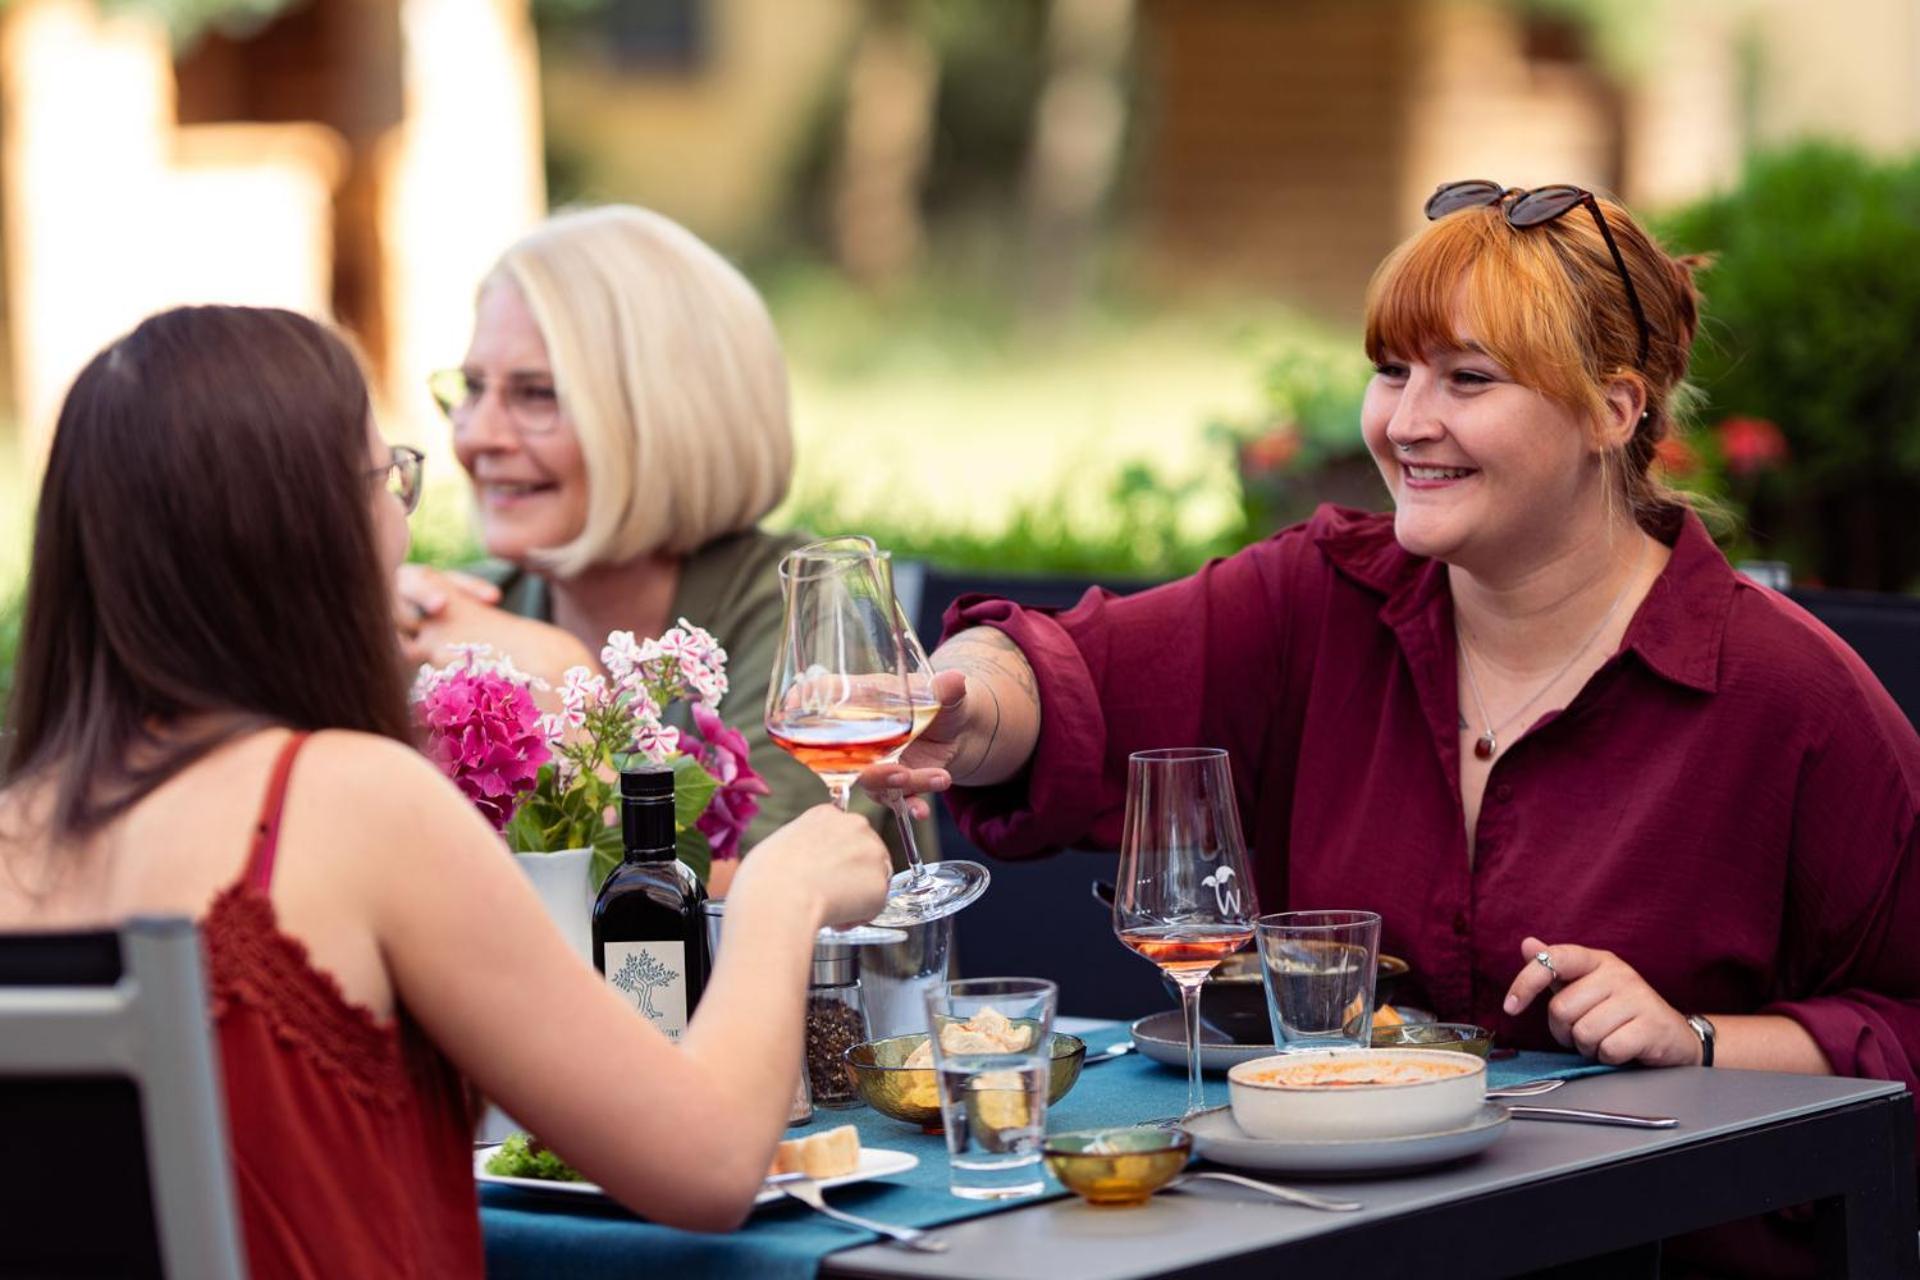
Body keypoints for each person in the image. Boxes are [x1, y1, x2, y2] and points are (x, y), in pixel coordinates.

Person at [880, 183, 1920, 1092]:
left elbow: (1907, 1022)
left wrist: (1696, 1037)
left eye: (1467, 379)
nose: (1405, 421)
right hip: (1338, 1225)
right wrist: (966, 701)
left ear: (1612, 410)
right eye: (1392, 370)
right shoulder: (1315, 596)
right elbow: (1063, 674)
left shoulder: (1790, 693)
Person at [0, 306, 892, 1276]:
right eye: (387, 474)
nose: (406, 512)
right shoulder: (351, 804)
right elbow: (711, 1159)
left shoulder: (20, 820)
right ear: (307, 532)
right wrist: (782, 887)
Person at [397, 205, 855, 872]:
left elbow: (765, 888)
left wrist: (560, 677)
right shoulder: (463, 612)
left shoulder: (805, 608)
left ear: (665, 414)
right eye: (471, 389)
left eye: (536, 394)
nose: (474, 436)